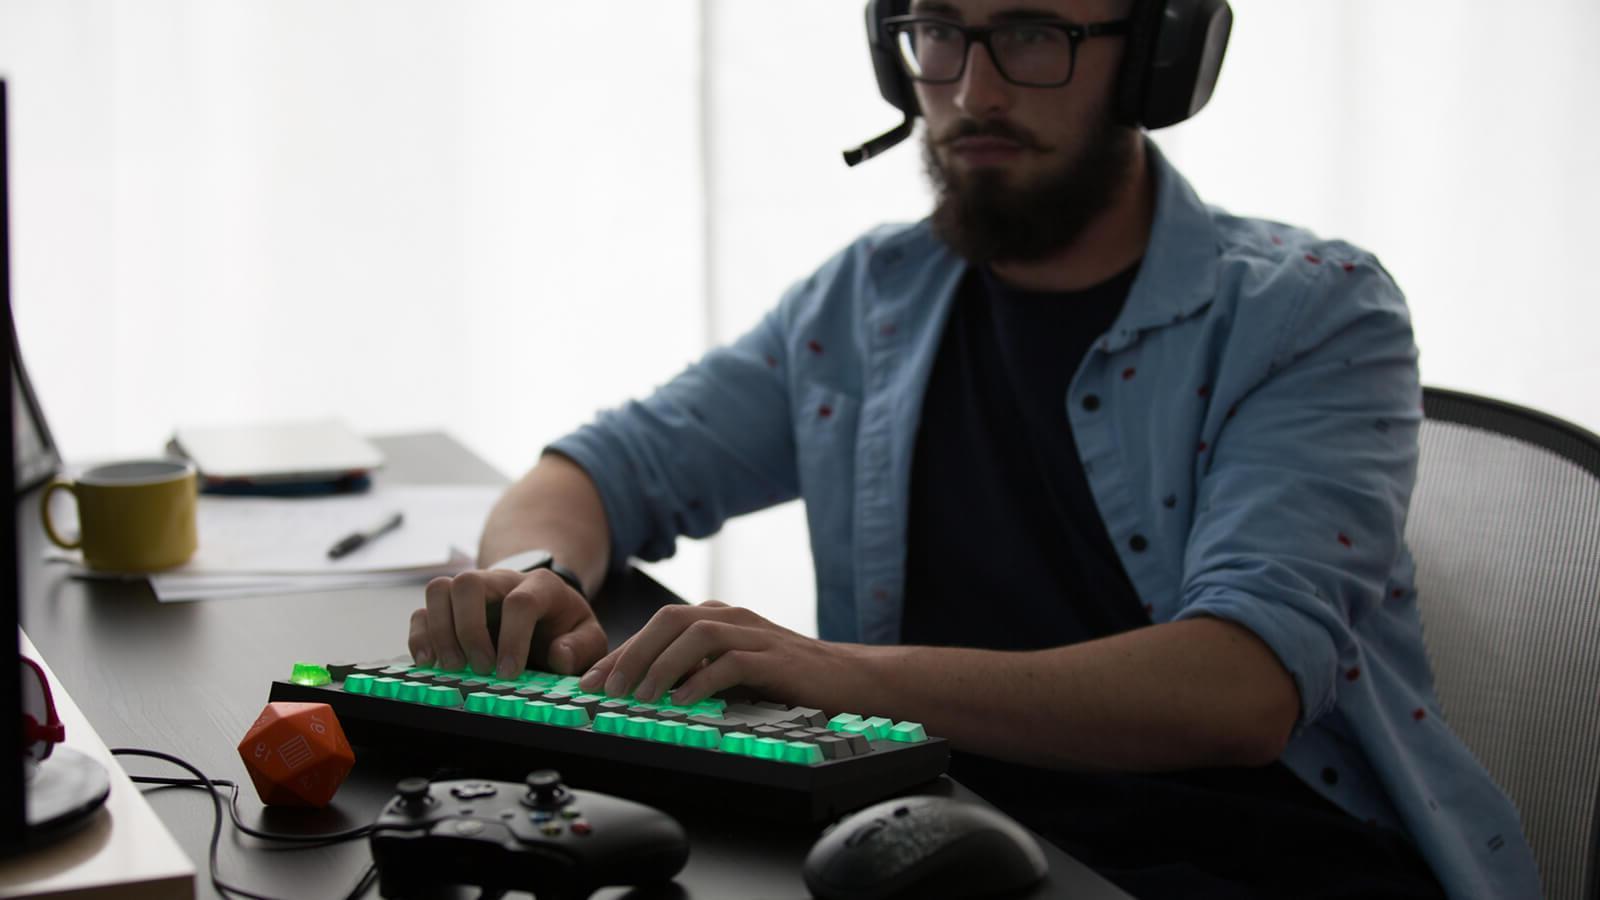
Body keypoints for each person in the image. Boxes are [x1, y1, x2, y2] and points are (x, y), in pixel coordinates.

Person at [407, 1, 1540, 896]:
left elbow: (1237, 692)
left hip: (1252, 860)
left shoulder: (1310, 313)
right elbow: (600, 470)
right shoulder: (870, 299)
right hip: (934, 834)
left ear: (1157, 55)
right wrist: (529, 583)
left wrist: (840, 677)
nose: (972, 88)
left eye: (1036, 34)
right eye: (939, 32)